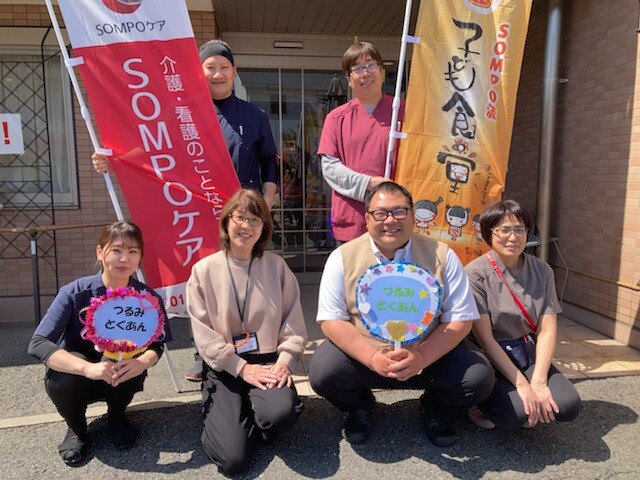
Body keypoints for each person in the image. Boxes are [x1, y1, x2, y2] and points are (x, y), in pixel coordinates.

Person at [92, 39, 279, 382]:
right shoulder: (181, 114)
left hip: (244, 218)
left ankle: (247, 346)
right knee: (206, 283)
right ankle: (203, 351)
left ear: (234, 72)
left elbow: (269, 160)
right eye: (211, 67)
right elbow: (150, 150)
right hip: (198, 214)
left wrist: (267, 199)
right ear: (198, 72)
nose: (218, 74)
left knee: (245, 280)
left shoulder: (254, 116)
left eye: (224, 67)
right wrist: (113, 160)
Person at [309, 182, 494, 447]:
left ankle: (436, 410)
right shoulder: (342, 257)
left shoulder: (443, 255)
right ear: (367, 218)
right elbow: (331, 320)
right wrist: (372, 358)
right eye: (380, 213)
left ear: (413, 216)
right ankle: (360, 407)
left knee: (478, 376)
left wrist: (422, 357)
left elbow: (460, 319)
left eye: (399, 211)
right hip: (367, 354)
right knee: (324, 372)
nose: (390, 220)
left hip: (428, 354)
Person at [28, 221, 170, 466]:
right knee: (64, 374)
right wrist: (86, 368)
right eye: (116, 250)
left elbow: (157, 345)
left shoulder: (147, 299)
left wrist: (142, 362)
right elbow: (38, 343)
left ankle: (117, 416)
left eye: (132, 251)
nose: (124, 258)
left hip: (119, 375)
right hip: (77, 375)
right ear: (100, 252)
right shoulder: (75, 292)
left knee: (124, 358)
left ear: (140, 258)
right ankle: (76, 427)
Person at [186, 188, 307, 475]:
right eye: (240, 217)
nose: (246, 226)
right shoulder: (203, 270)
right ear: (226, 221)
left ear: (264, 227)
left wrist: (284, 362)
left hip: (267, 360)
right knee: (233, 460)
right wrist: (241, 368)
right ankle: (231, 420)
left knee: (281, 415)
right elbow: (203, 335)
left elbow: (293, 323)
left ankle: (253, 416)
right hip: (226, 364)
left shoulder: (277, 266)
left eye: (255, 220)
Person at [464, 200, 582, 430]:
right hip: (492, 356)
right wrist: (522, 385)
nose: (513, 237)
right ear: (489, 233)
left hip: (525, 351)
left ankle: (522, 395)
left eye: (519, 229)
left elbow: (547, 330)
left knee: (567, 406)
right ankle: (478, 404)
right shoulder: (475, 274)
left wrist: (538, 382)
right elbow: (486, 339)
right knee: (517, 414)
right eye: (504, 230)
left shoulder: (542, 270)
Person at [318, 41, 405, 243]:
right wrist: (368, 184)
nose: (365, 73)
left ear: (381, 71)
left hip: (396, 220)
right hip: (352, 221)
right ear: (349, 79)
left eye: (371, 65)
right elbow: (330, 168)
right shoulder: (336, 118)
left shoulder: (403, 112)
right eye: (357, 69)